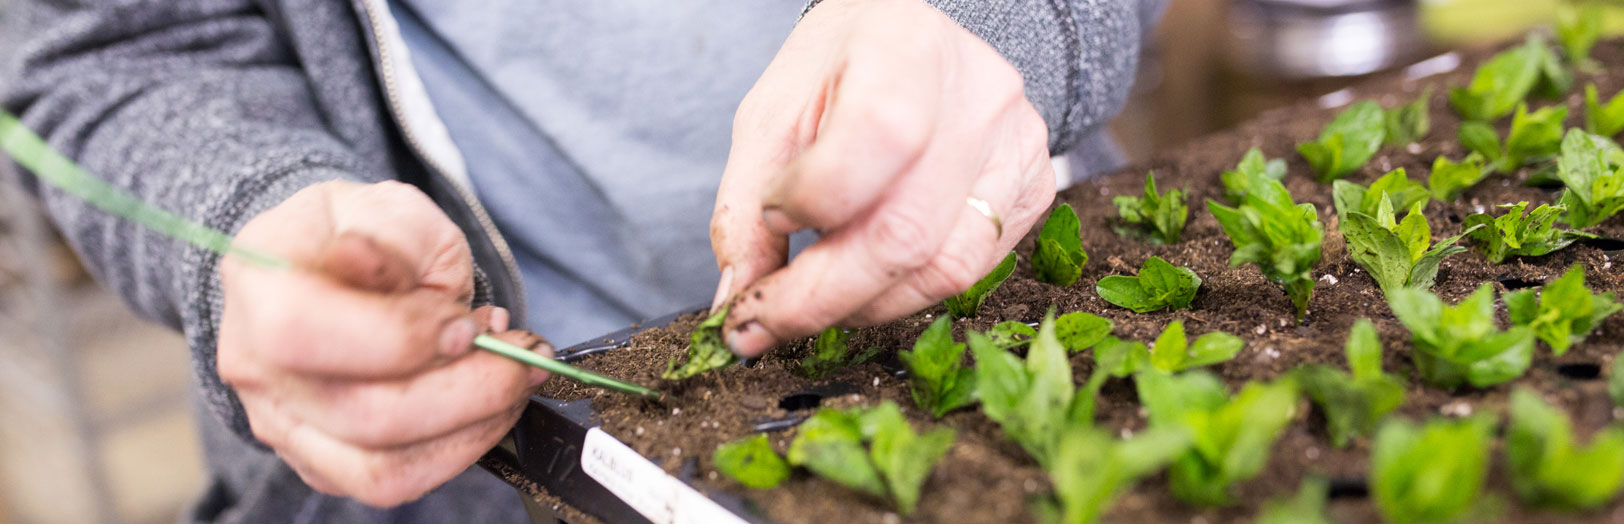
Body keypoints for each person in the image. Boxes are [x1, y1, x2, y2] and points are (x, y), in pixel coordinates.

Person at [0, 0, 1163, 522]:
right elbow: (111, 45)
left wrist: (1003, 19)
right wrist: (255, 207)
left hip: (997, 288)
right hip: (449, 481)